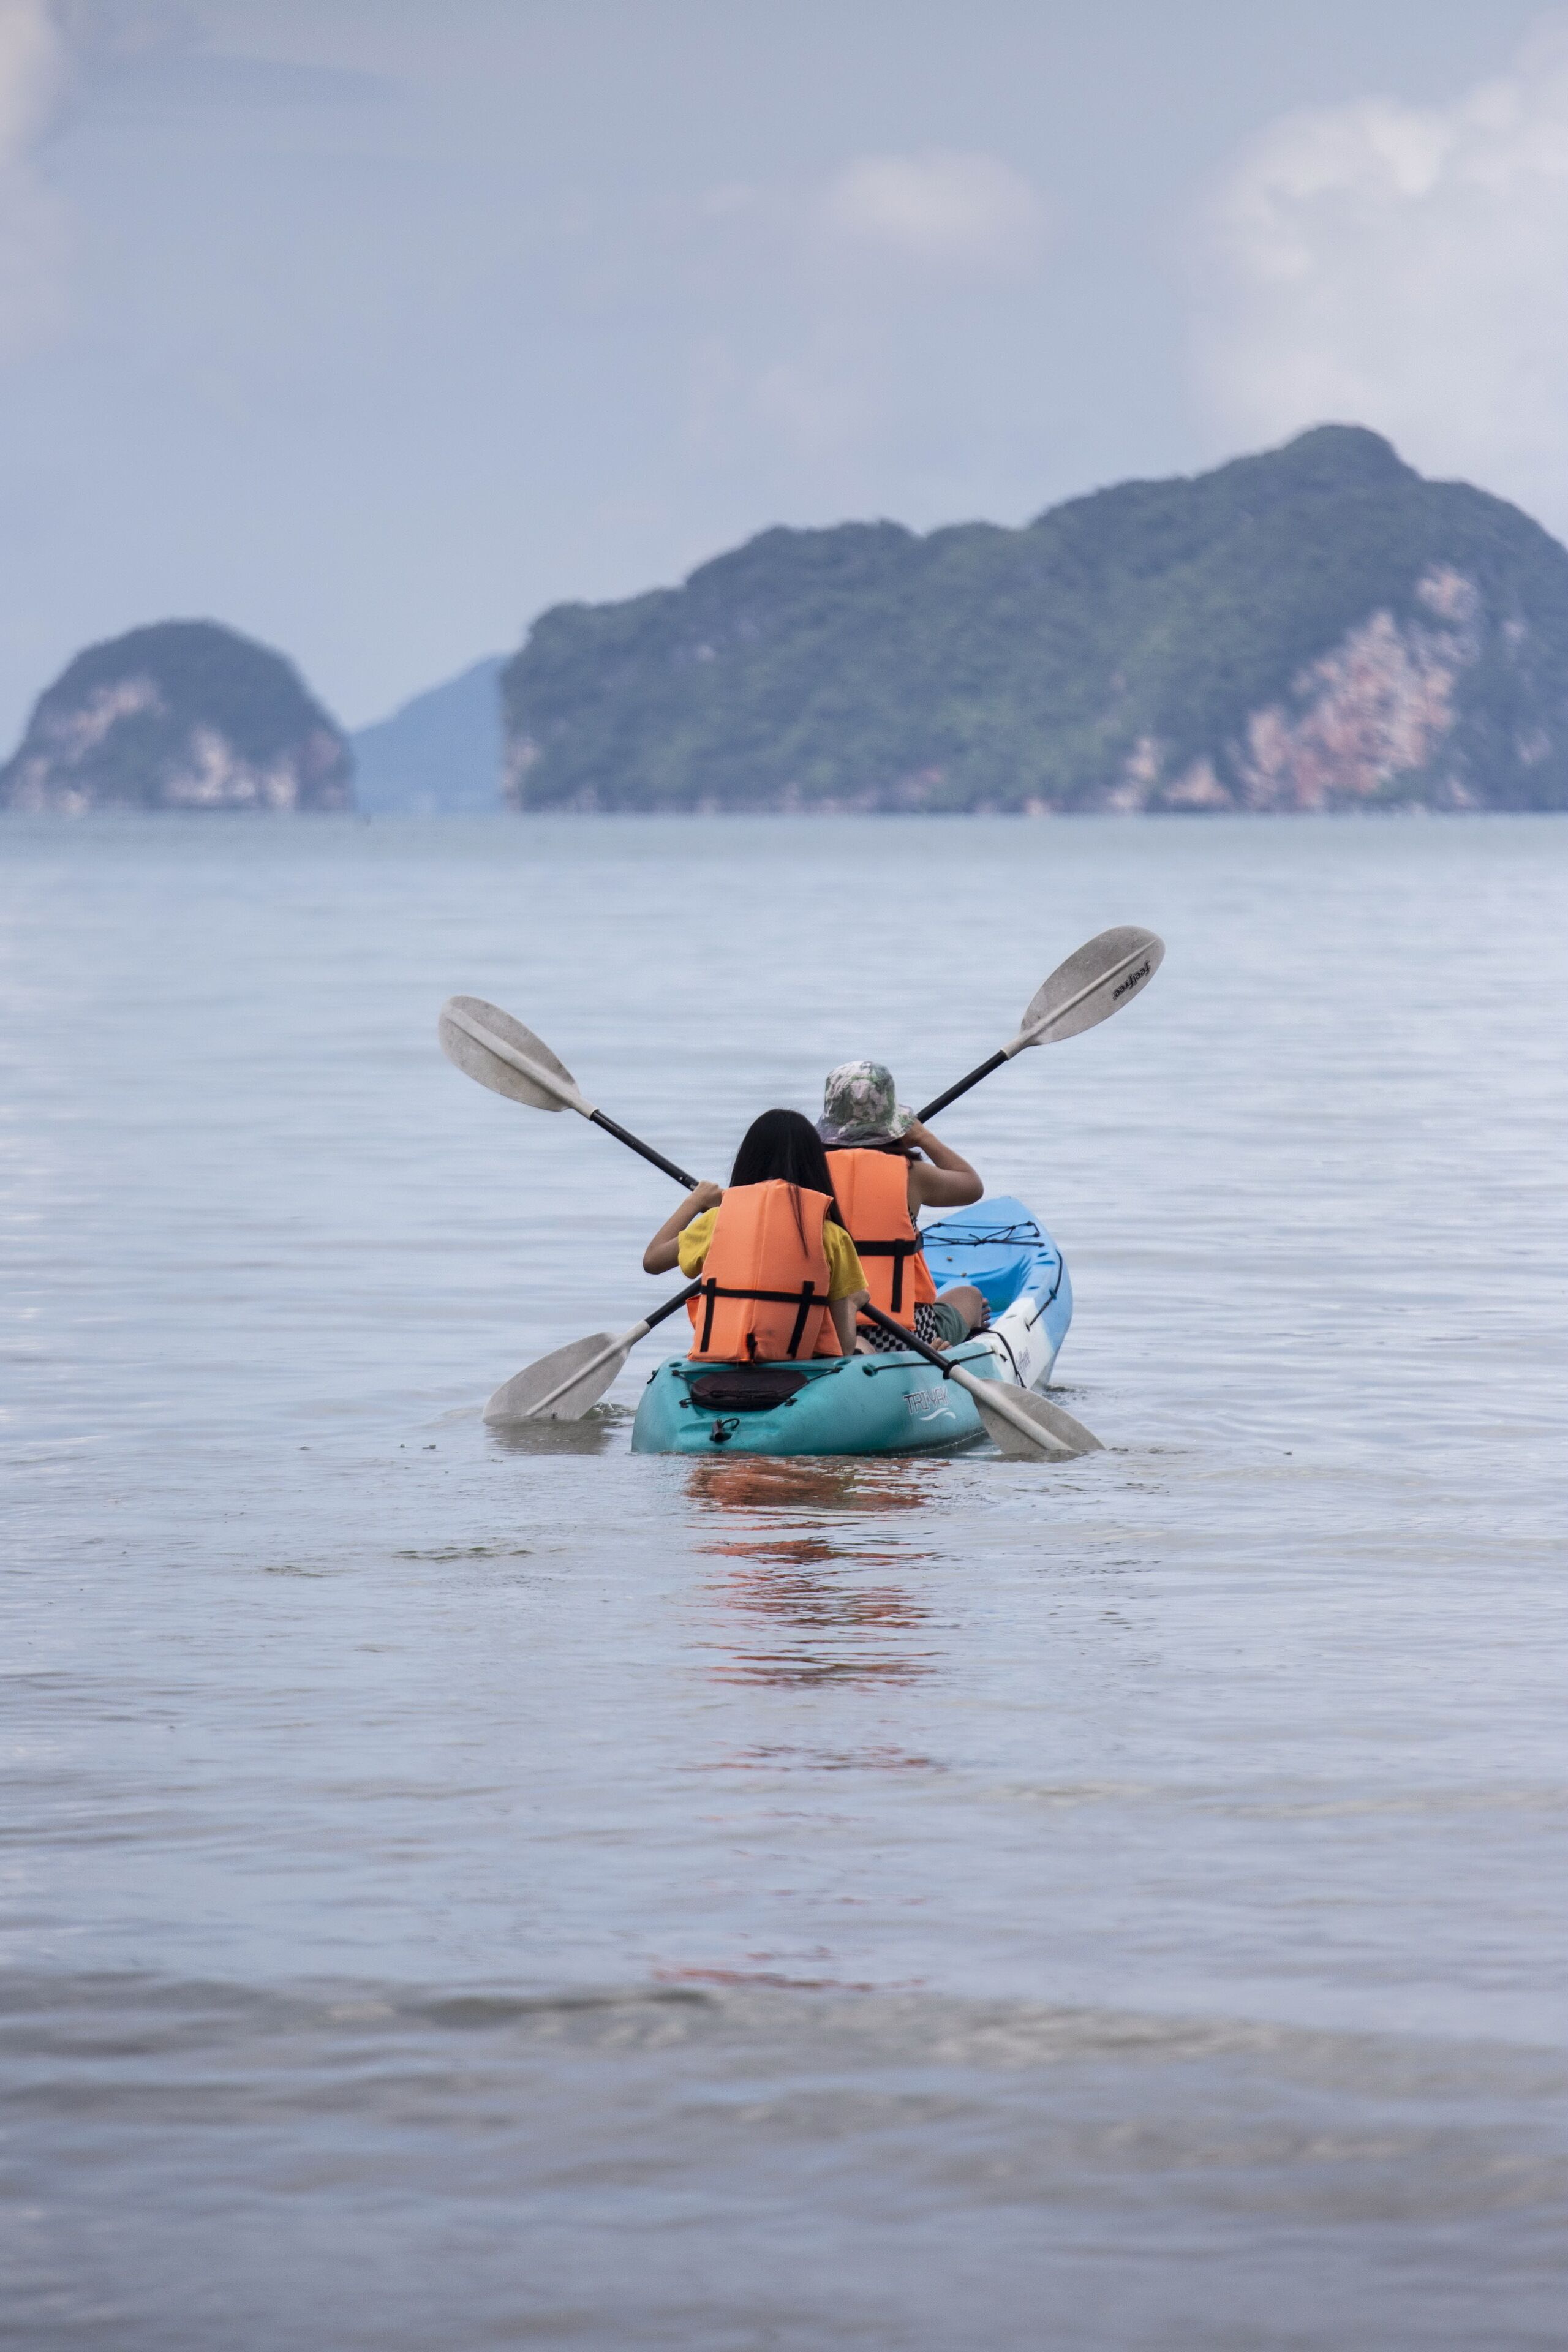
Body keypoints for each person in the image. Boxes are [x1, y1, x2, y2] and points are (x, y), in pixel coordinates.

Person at [643, 1108, 869, 1363]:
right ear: (815, 1165)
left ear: (749, 1159)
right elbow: (845, 1346)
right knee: (863, 1345)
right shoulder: (831, 1234)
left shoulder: (717, 1220)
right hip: (795, 1367)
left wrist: (695, 1202)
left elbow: (653, 1260)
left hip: (721, 1365)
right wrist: (852, 1303)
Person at [816, 1059, 987, 1351]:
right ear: (893, 1123)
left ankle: (856, 1347)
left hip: (823, 1325)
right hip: (901, 1333)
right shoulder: (910, 1173)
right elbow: (972, 1186)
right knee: (969, 1297)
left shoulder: (809, 1171)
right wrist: (922, 1136)